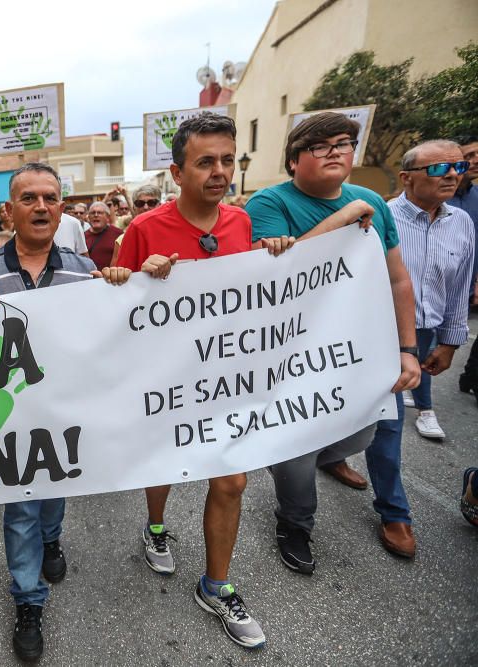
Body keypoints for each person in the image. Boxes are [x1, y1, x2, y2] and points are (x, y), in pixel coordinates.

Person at [117, 113, 289, 649]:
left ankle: (217, 585)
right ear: (177, 171)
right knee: (165, 464)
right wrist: (139, 275)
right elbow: (114, 303)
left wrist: (276, 254)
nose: (220, 171)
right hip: (167, 380)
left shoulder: (242, 224)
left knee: (233, 481)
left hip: (230, 377)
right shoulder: (143, 230)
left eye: (228, 160)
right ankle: (156, 525)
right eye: (205, 162)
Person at [0, 162, 130, 661]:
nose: (40, 206)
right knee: (19, 510)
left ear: (61, 209)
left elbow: (108, 331)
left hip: (64, 414)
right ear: (9, 210)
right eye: (28, 198)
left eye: (49, 197)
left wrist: (119, 283)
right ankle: (28, 600)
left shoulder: (83, 269)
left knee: (56, 492)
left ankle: (52, 540)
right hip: (9, 419)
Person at [245, 111, 421, 567]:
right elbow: (278, 278)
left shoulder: (372, 202)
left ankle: (337, 462)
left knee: (371, 426)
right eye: (320, 146)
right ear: (293, 160)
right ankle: (295, 522)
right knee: (293, 448)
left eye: (343, 143)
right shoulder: (268, 204)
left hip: (362, 348)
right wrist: (343, 217)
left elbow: (397, 279)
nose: (335, 153)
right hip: (293, 354)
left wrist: (407, 349)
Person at [391, 140, 474, 442]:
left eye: (459, 166)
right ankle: (390, 491)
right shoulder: (381, 218)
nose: (453, 174)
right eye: (439, 168)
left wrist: (450, 343)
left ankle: (425, 409)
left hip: (428, 332)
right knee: (389, 423)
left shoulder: (462, 222)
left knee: (390, 418)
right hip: (382, 333)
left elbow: (458, 288)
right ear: (406, 177)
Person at [449, 135, 478, 404]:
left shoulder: (476, 199)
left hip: (465, 284)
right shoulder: (432, 197)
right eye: (468, 156)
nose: (474, 161)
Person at [84, 202, 123, 270]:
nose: (96, 215)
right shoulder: (82, 236)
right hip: (89, 279)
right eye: (93, 213)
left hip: (109, 278)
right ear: (89, 217)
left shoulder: (118, 234)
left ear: (107, 217)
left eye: (100, 213)